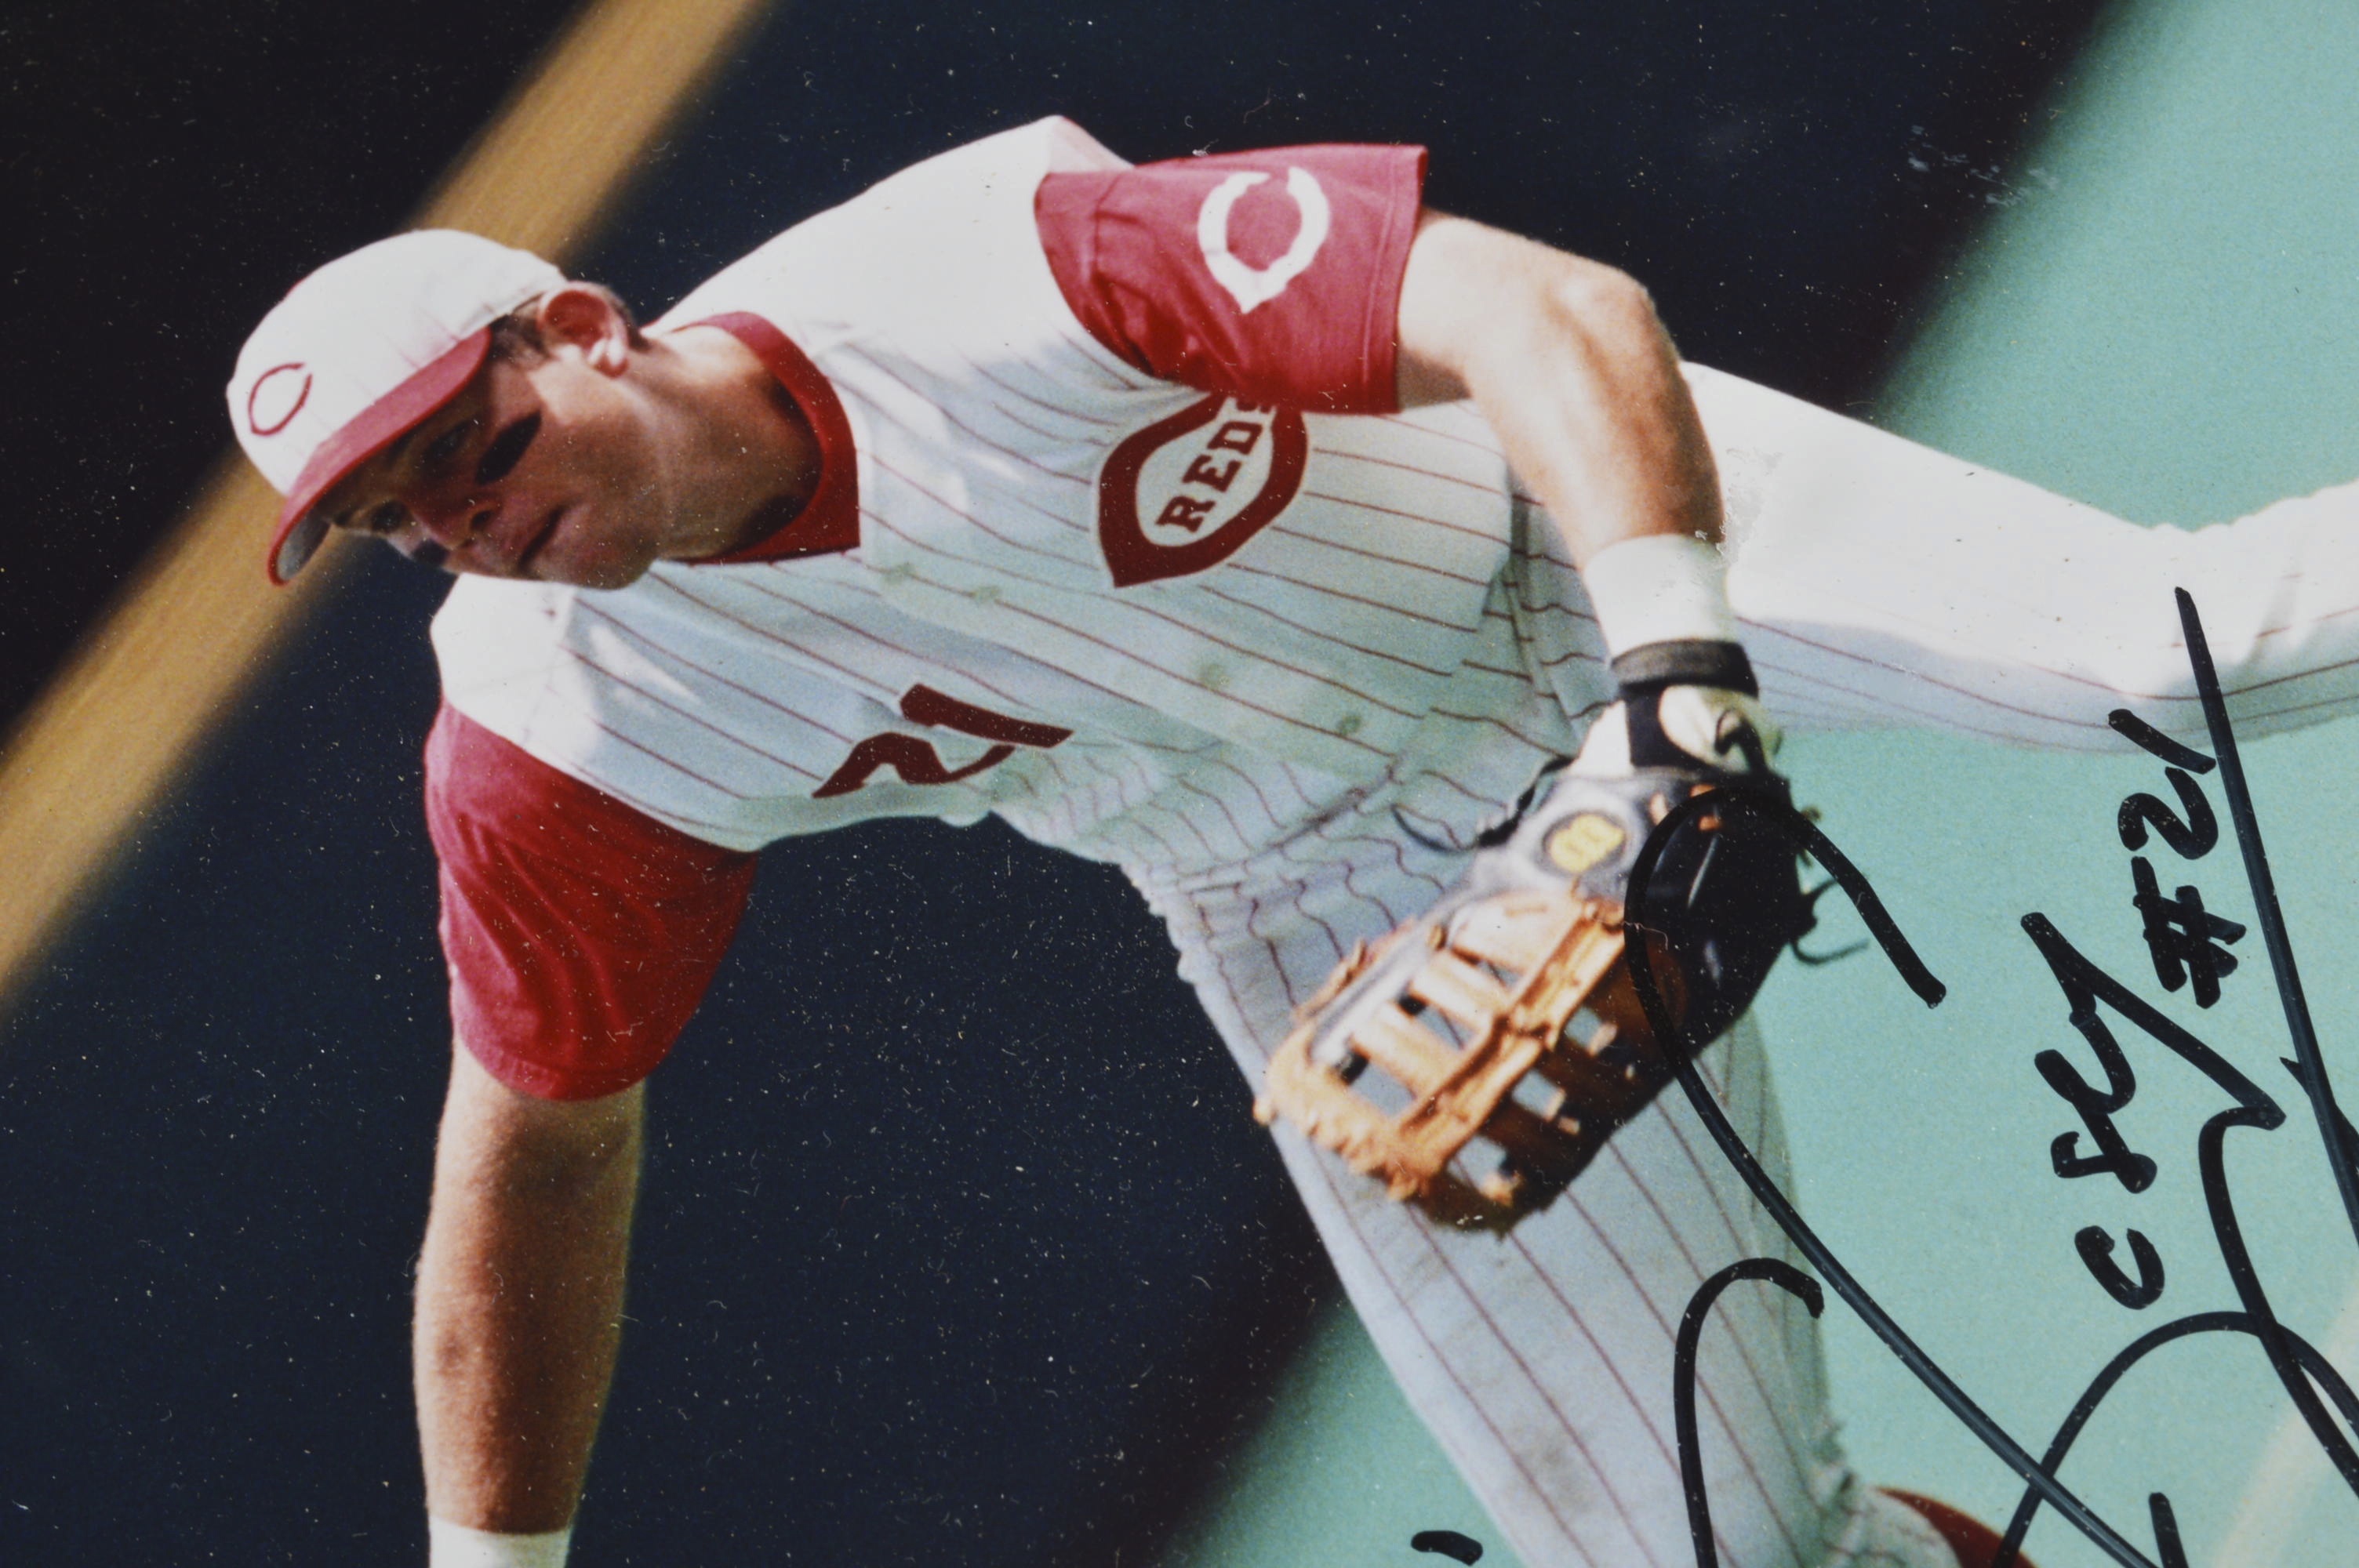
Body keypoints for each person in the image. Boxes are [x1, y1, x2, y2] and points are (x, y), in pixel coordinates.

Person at [225, 117, 2359, 1568]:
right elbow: (535, 1145)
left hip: (1554, 541)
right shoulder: (553, 728)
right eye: (410, 521)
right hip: (1326, 892)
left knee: (2200, 653)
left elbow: (1549, 315)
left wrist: (1676, 690)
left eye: (474, 444)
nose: (469, 522)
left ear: (584, 324)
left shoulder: (978, 274)